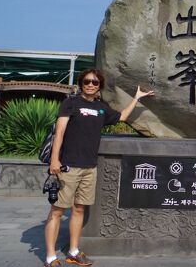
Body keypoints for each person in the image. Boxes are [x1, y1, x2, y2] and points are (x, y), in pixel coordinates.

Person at [43, 69, 154, 267]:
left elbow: (121, 117)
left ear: (99, 86)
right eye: (87, 81)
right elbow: (59, 132)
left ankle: (73, 251)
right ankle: (51, 257)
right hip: (67, 167)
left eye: (95, 82)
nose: (91, 85)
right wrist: (54, 161)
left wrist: (137, 97)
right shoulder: (71, 103)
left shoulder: (101, 108)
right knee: (57, 211)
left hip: (89, 168)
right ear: (81, 83)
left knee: (79, 210)